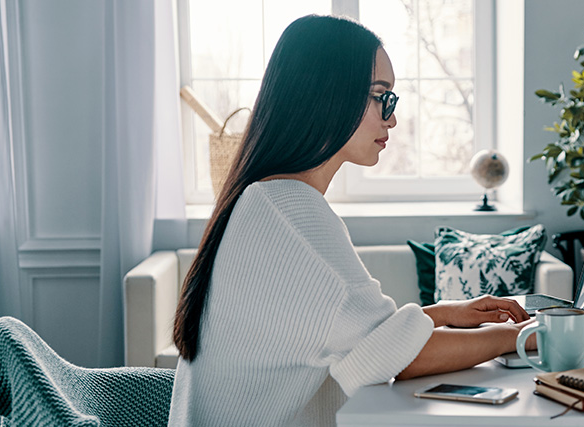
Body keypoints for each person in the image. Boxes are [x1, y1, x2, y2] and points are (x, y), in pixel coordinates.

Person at [167, 15, 542, 427]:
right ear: (329, 94)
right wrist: (526, 336)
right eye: (382, 96)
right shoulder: (290, 212)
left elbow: (352, 336)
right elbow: (391, 358)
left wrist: (441, 313)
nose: (392, 118)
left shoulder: (264, 200)